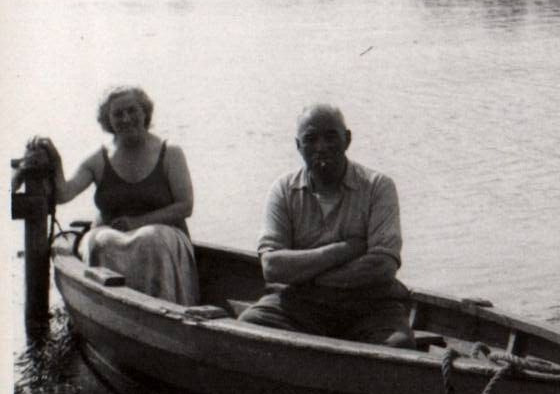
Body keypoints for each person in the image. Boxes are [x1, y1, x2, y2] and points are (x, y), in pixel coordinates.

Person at [238, 104, 415, 349]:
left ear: (347, 139)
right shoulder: (283, 190)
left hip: (371, 305)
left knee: (398, 346)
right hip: (301, 305)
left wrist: (307, 274)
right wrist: (342, 250)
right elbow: (272, 266)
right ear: (298, 146)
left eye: (331, 136)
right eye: (310, 139)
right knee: (250, 325)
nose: (321, 146)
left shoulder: (378, 187)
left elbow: (382, 265)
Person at [26, 86, 199, 305]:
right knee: (100, 239)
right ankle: (115, 308)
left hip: (165, 238)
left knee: (150, 238)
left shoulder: (170, 152)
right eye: (117, 114)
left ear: (145, 112)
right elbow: (64, 194)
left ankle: (163, 309)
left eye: (132, 110)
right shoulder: (99, 158)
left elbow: (185, 206)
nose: (126, 119)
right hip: (112, 236)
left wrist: (137, 222)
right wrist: (55, 159)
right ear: (108, 121)